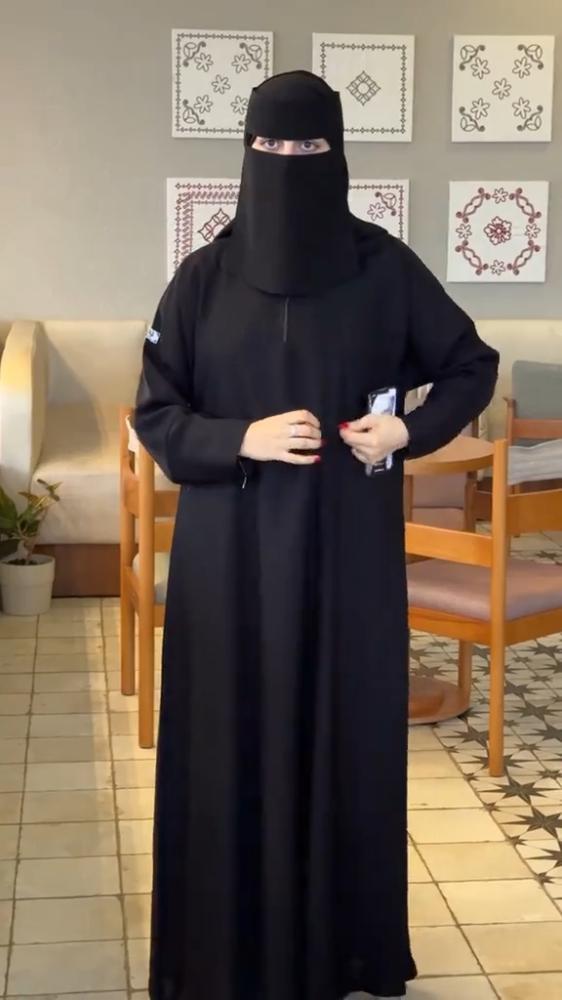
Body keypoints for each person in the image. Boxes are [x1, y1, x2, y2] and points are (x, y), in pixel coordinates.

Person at [134, 70, 499, 1000]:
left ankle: (343, 952)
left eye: (308, 147)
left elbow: (471, 363)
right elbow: (156, 414)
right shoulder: (202, 279)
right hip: (230, 558)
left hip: (347, 555)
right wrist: (240, 439)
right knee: (230, 737)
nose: (288, 162)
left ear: (338, 156)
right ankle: (225, 954)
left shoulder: (384, 267)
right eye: (271, 146)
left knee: (346, 734)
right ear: (246, 154)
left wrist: (408, 430)